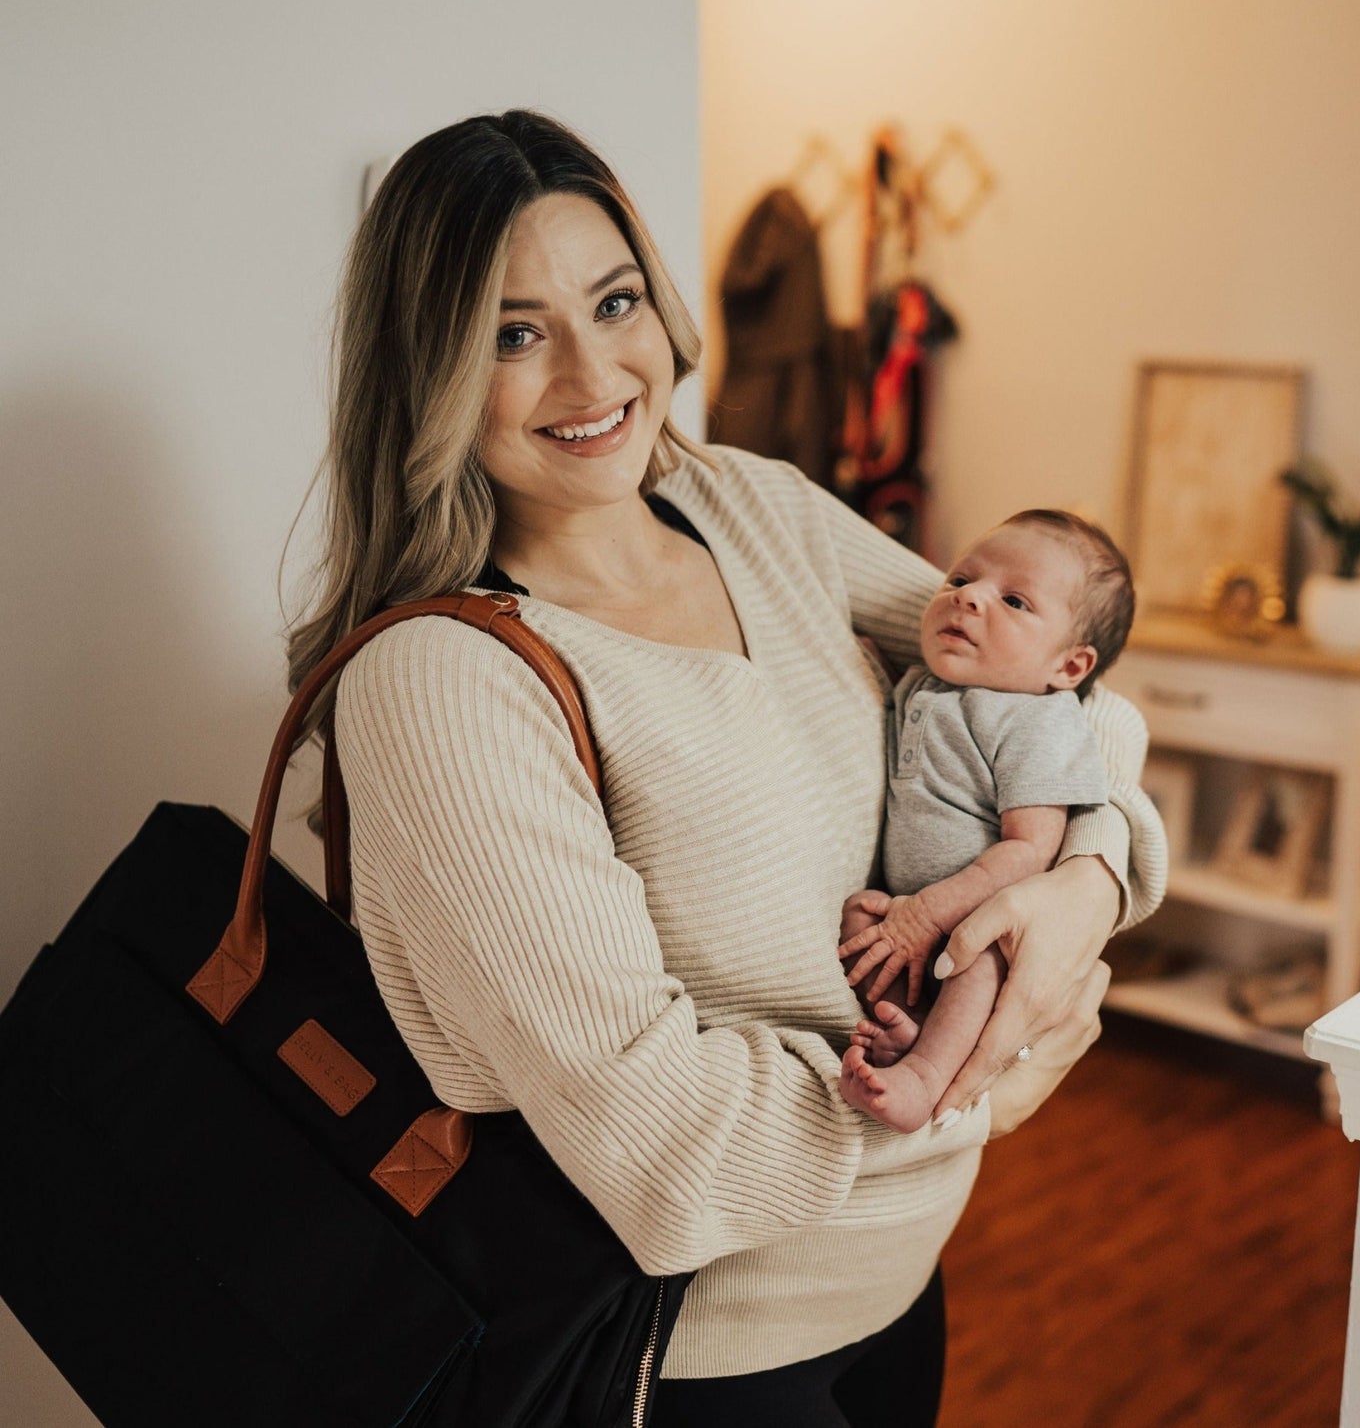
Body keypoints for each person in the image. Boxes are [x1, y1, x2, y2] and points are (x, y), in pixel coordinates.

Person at [286, 110, 1166, 1427]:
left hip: (900, 1293)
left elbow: (1077, 704)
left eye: (615, 300)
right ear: (432, 372)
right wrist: (1004, 1064)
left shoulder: (750, 507)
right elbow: (663, 1147)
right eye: (514, 333)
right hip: (692, 1364)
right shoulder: (444, 686)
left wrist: (1076, 888)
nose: (594, 375)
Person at [836, 510, 1136, 1133]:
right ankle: (904, 1034)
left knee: (979, 959)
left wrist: (928, 914)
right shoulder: (927, 682)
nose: (967, 597)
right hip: (910, 908)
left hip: (982, 914)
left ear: (1071, 668)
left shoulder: (1037, 721)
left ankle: (924, 1079)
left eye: (1015, 600)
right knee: (862, 916)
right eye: (960, 579)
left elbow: (1030, 849)